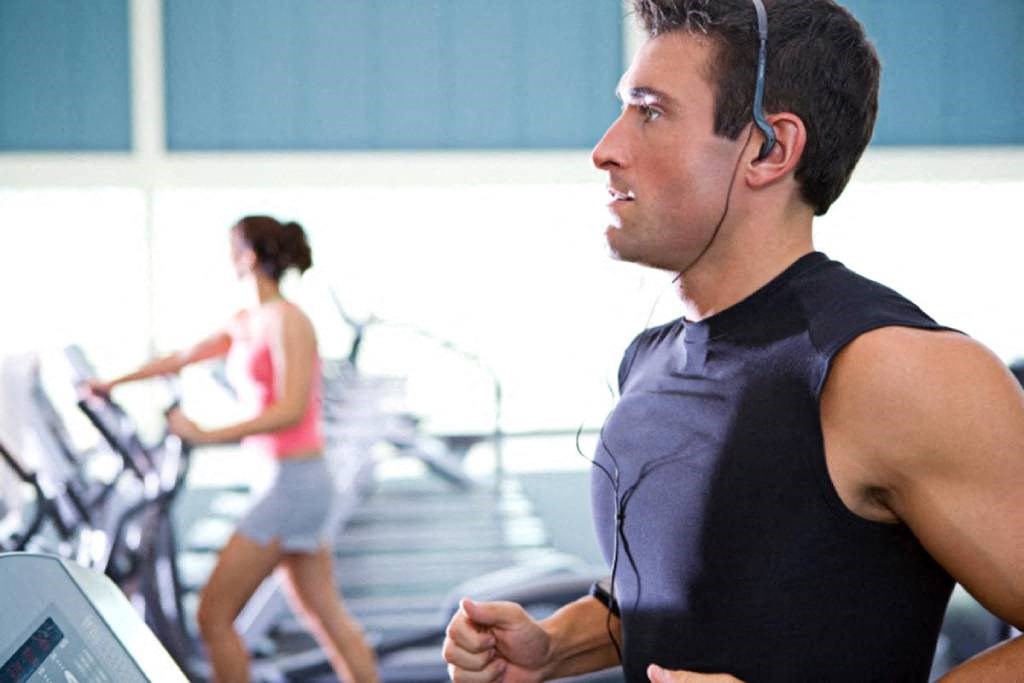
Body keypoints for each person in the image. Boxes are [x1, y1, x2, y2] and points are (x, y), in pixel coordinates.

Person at [442, 1, 1024, 681]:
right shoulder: (651, 358)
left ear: (770, 149)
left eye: (649, 111)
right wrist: (554, 645)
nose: (605, 150)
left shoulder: (891, 367)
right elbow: (690, 594)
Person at [88, 216, 378, 683]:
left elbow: (290, 409)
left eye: (231, 249)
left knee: (213, 616)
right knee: (324, 616)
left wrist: (205, 434)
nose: (226, 258)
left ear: (249, 256)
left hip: (293, 483)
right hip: (282, 480)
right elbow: (181, 357)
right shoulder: (247, 321)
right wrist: (111, 383)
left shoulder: (289, 320)